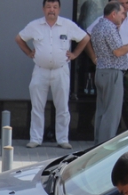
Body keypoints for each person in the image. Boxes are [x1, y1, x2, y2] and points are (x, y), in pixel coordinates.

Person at [15, 0, 90, 150]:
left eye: (55, 7)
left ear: (59, 9)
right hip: (40, 70)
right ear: (43, 9)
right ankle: (35, 139)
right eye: (48, 7)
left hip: (60, 70)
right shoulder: (35, 25)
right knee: (37, 106)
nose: (52, 10)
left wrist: (75, 54)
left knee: (62, 106)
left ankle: (62, 139)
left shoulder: (67, 25)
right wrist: (29, 52)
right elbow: (19, 38)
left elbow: (85, 38)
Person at [89, 2, 128, 144]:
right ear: (113, 14)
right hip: (112, 73)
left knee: (102, 111)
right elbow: (118, 51)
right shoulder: (109, 28)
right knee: (112, 114)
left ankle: (98, 144)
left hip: (101, 71)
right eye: (121, 13)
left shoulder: (98, 26)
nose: (123, 15)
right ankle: (105, 147)